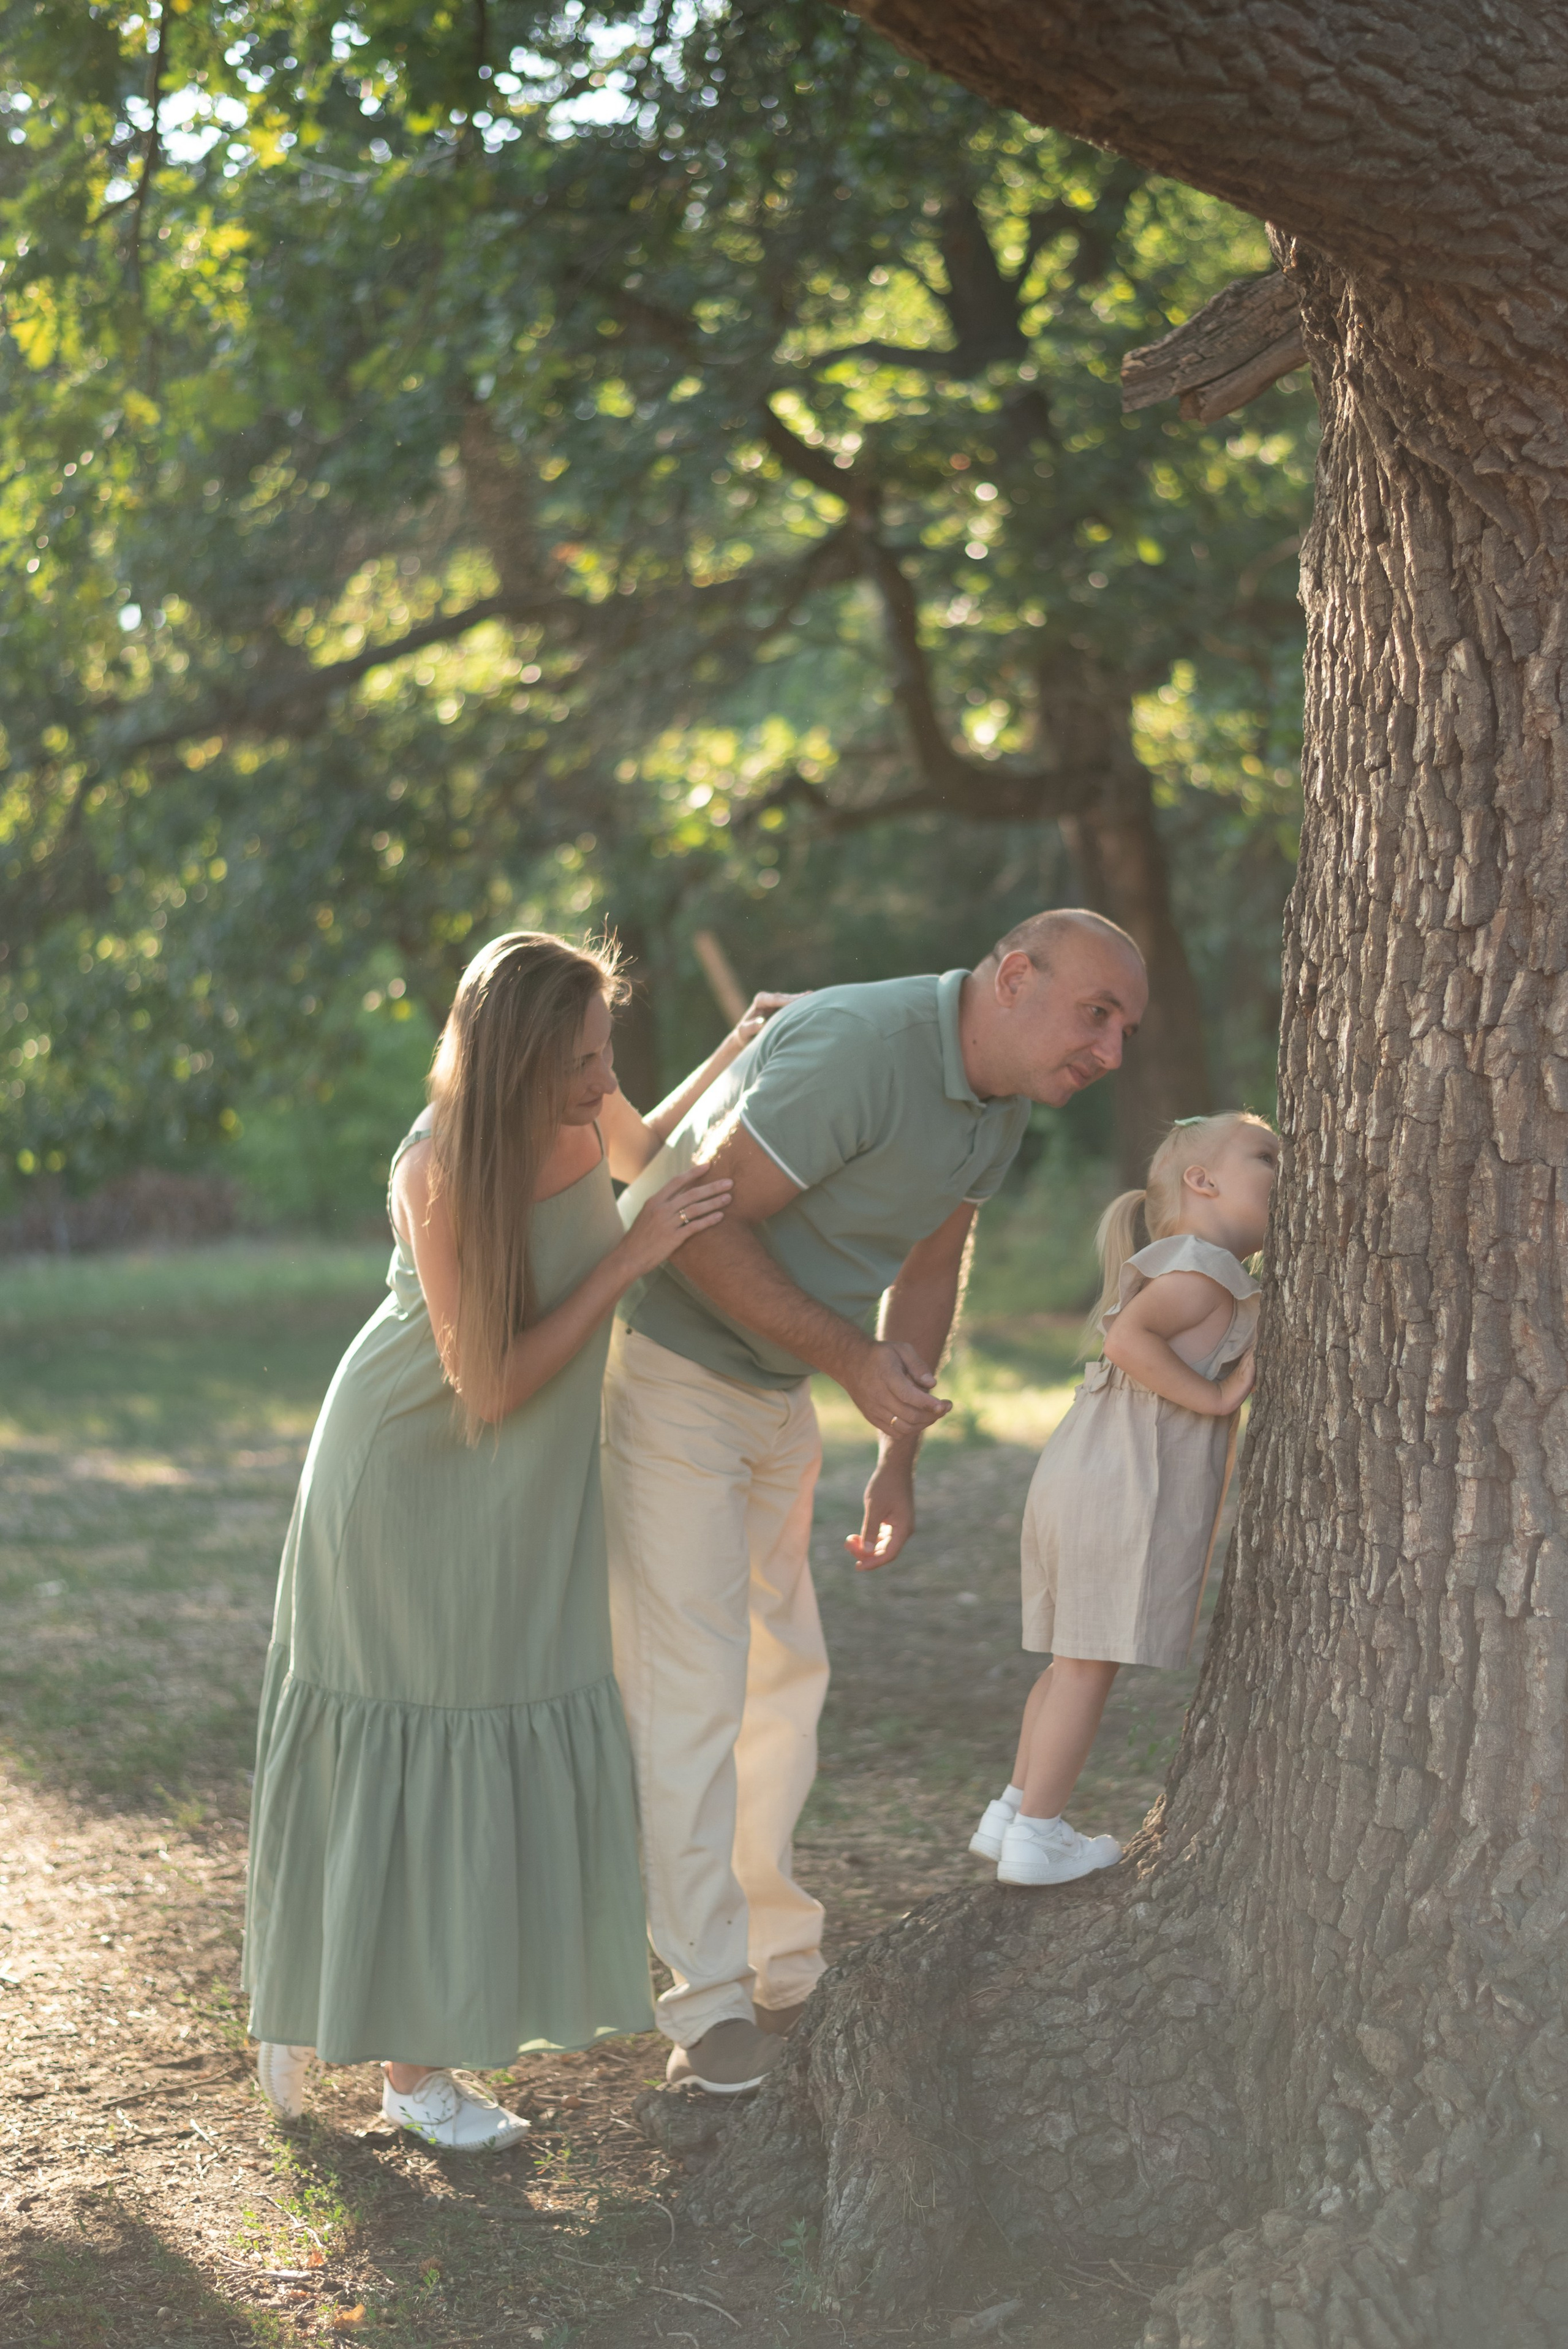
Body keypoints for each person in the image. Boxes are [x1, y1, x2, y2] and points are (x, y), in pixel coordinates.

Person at [243, 931, 786, 2151]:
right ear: (512, 1061)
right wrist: (634, 1253)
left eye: (607, 1053)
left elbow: (646, 1155)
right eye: (582, 1062)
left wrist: (735, 1050)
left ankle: (335, 1992)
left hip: (521, 1490)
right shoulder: (439, 1167)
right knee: (414, 1736)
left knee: (479, 1734)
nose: (605, 1080)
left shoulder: (584, 1109)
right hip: (408, 1474)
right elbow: (485, 1384)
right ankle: (398, 2064)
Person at [602, 910, 1150, 2094]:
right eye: (1095, 1015)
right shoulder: (863, 1048)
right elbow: (692, 1226)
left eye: (1124, 1029)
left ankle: (780, 1969)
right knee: (693, 1693)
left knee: (782, 1688)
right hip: (670, 1378)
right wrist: (851, 1359)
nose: (1110, 1051)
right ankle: (707, 2002)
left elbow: (931, 1263)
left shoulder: (999, 1102)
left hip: (776, 1393)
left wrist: (896, 1446)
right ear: (1015, 977)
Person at [970, 1109, 1280, 1888]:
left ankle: (1013, 1811)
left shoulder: (1194, 1268)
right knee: (1085, 1668)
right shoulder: (1200, 1272)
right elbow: (1127, 1340)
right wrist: (1215, 1399)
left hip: (1083, 1473)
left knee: (1069, 1661)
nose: (1287, 1170)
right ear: (1202, 1181)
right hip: (1118, 1483)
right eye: (1267, 1156)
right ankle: (1038, 1835)